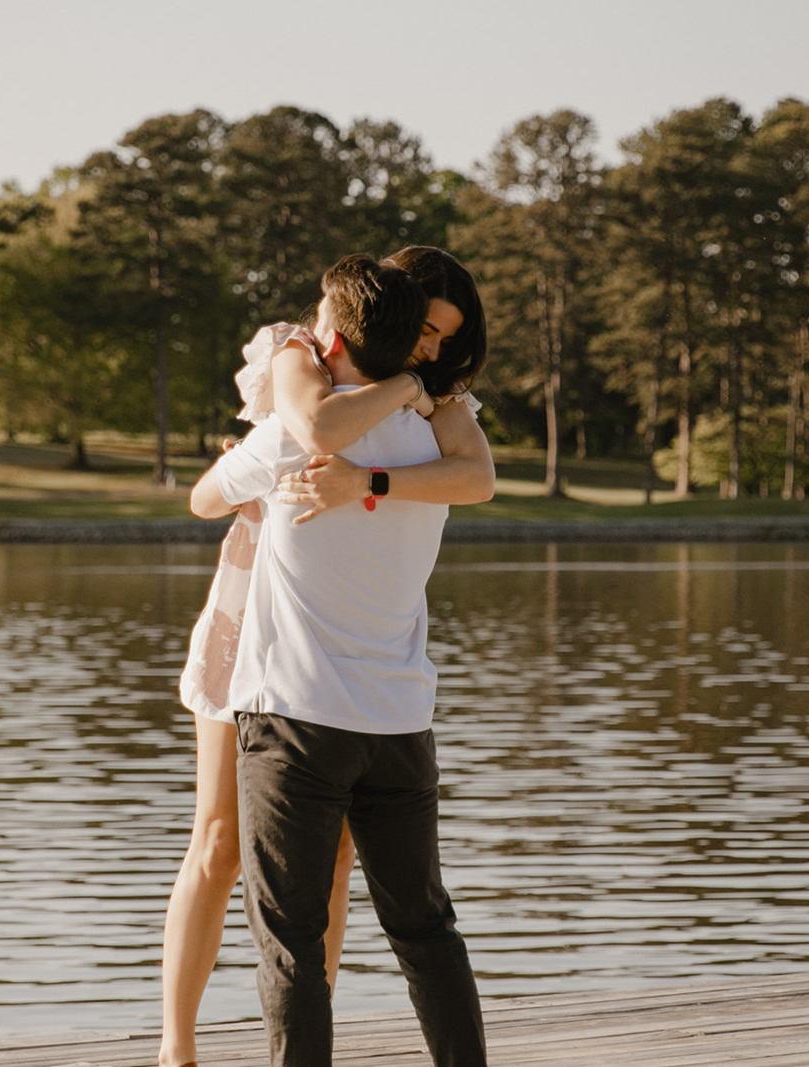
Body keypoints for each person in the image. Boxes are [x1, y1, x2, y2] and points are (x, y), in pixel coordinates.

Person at [159, 248, 493, 1067]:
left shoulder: (427, 410)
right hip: (311, 659)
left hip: (302, 698)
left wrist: (362, 477)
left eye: (443, 340)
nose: (431, 349)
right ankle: (177, 1047)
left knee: (296, 925)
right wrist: (377, 433)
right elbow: (313, 429)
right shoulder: (309, 365)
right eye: (424, 330)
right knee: (228, 845)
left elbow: (208, 494)